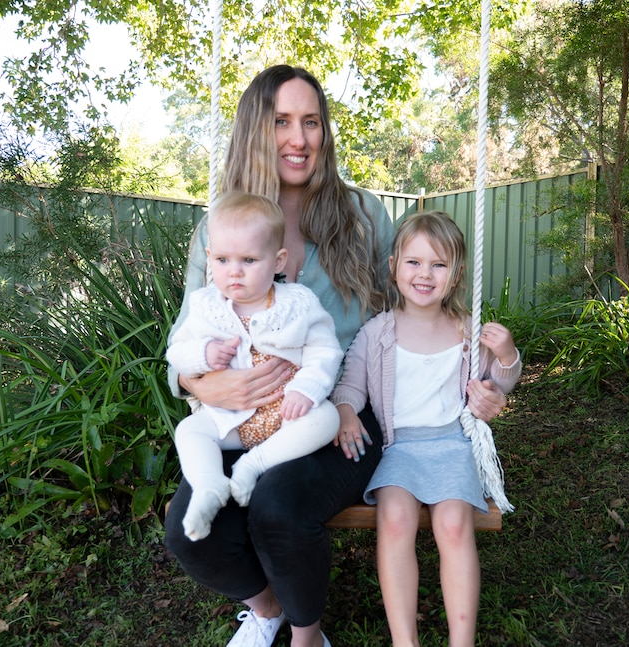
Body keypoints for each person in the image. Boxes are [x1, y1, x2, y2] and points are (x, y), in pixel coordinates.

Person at [163, 65, 509, 647]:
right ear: (255, 130)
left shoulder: (362, 216)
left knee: (278, 503)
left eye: (311, 122)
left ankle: (306, 635)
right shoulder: (220, 227)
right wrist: (202, 386)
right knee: (187, 529)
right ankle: (267, 607)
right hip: (242, 415)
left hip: (343, 413)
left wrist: (480, 376)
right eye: (281, 122)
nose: (300, 139)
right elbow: (184, 343)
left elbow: (415, 310)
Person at [331, 211, 522, 647]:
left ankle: (462, 640)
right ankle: (405, 641)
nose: (425, 274)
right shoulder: (376, 332)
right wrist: (344, 412)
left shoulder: (467, 331)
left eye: (439, 265)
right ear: (395, 265)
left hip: (452, 446)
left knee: (454, 524)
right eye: (414, 262)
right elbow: (351, 387)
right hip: (399, 450)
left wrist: (507, 352)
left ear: (455, 276)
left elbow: (501, 382)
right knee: (394, 519)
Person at [166, 191, 343, 542]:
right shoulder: (206, 307)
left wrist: (306, 389)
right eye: (222, 260)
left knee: (327, 418)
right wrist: (203, 355)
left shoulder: (299, 303)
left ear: (278, 261)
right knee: (189, 431)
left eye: (248, 260)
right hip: (230, 418)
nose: (234, 272)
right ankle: (209, 487)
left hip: (286, 412)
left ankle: (254, 464)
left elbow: (325, 351)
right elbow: (177, 353)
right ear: (209, 259)